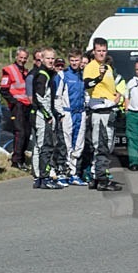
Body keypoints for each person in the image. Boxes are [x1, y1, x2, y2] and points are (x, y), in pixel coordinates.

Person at [83, 37, 122, 191]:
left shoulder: (107, 67)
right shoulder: (92, 66)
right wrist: (98, 77)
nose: (101, 53)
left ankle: (95, 176)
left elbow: (111, 87)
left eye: (104, 51)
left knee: (104, 145)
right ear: (94, 51)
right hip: (99, 111)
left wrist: (117, 96)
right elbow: (86, 84)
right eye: (98, 51)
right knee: (102, 146)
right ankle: (102, 178)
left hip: (109, 109)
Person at [54, 49, 88, 185]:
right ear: (69, 61)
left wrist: (86, 110)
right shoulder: (62, 75)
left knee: (78, 145)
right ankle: (62, 173)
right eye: (72, 60)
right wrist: (60, 113)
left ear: (81, 61)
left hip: (80, 113)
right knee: (66, 145)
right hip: (67, 113)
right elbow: (57, 96)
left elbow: (86, 94)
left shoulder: (83, 76)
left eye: (77, 60)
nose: (74, 63)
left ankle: (74, 174)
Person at [30, 48, 63, 190]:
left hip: (43, 114)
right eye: (47, 58)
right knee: (45, 146)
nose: (50, 61)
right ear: (41, 59)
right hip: (41, 115)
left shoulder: (48, 74)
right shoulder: (42, 75)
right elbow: (40, 97)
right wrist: (48, 115)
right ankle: (44, 177)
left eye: (52, 58)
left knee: (43, 146)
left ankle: (41, 177)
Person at [0, 48, 32, 171]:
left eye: (25, 58)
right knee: (20, 133)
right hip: (17, 106)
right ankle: (16, 160)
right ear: (16, 56)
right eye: (21, 57)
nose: (22, 60)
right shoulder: (9, 70)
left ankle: (22, 159)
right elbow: (3, 90)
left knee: (27, 133)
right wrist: (15, 103)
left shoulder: (25, 71)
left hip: (27, 105)